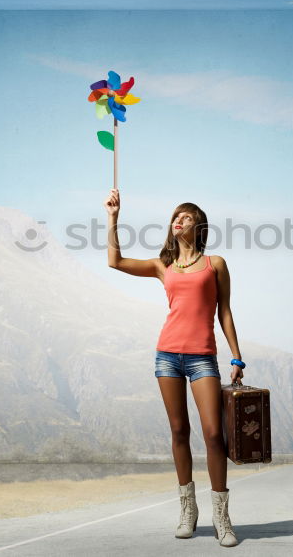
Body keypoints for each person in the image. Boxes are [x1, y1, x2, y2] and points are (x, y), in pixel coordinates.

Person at [104, 187, 242, 547]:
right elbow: (115, 262)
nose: (178, 221)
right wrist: (113, 219)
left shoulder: (216, 265)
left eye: (186, 217)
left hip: (202, 359)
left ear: (199, 228)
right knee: (179, 432)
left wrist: (236, 357)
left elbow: (224, 313)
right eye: (175, 217)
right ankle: (187, 510)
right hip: (167, 356)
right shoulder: (162, 265)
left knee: (214, 434)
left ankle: (222, 518)